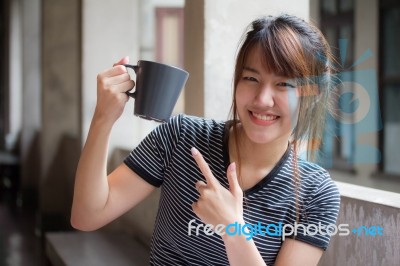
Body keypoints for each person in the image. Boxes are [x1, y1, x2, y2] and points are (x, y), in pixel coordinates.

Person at [71, 14, 340, 266]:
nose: (262, 100)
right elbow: (87, 216)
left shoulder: (315, 194)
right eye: (251, 78)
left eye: (284, 85)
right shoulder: (180, 137)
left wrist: (232, 230)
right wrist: (103, 118)